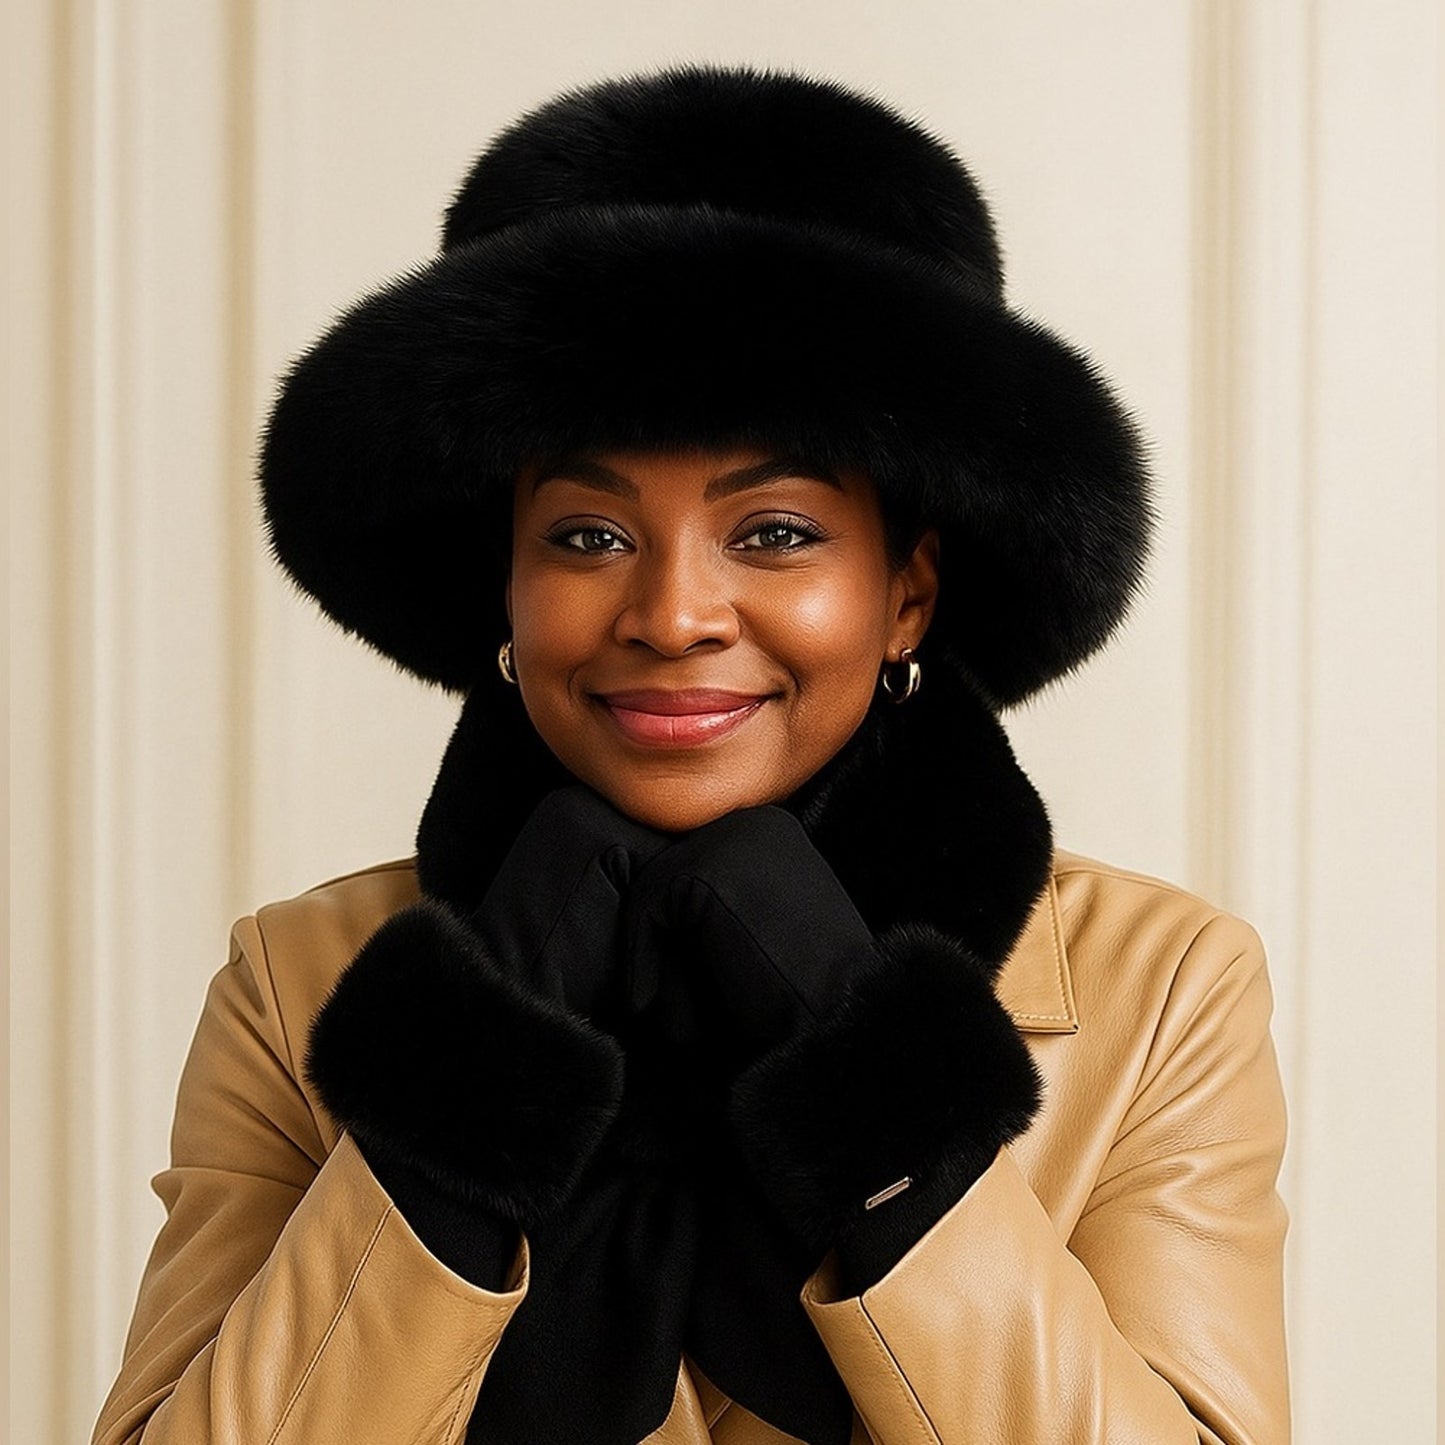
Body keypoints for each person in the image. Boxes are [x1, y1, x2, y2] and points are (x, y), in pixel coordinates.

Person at [92, 65, 1291, 1445]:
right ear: (504, 586)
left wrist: (875, 1084)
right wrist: (467, 1078)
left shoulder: (1163, 992)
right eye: (588, 535)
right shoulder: (298, 985)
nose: (670, 617)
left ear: (906, 592)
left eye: (774, 532)